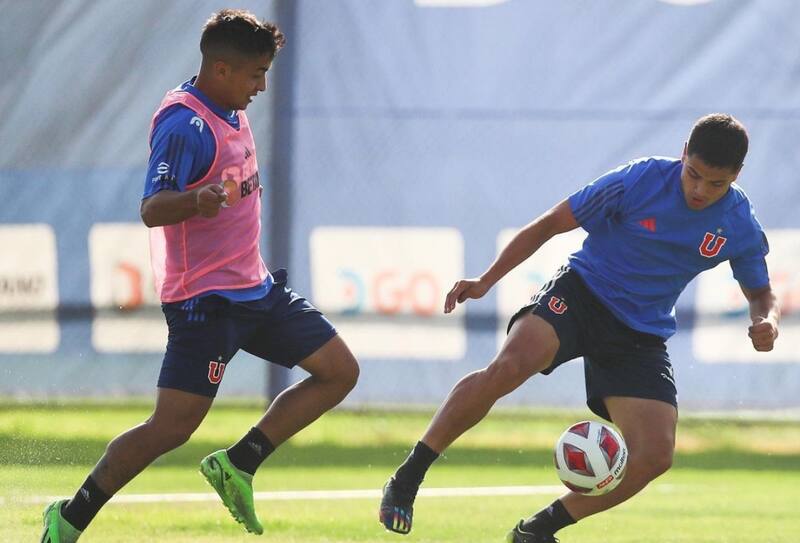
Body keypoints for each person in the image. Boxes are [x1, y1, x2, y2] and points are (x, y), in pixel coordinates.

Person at [379, 113, 779, 542]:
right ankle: (407, 477)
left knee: (655, 455)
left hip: (639, 333)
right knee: (511, 365)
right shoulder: (639, 180)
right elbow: (552, 222)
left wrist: (766, 321)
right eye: (693, 174)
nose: (699, 190)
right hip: (582, 295)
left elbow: (761, 293)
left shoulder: (738, 223)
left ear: (736, 175)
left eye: (714, 183)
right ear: (683, 153)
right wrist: (485, 281)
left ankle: (538, 529)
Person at [41, 10, 359, 542]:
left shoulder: (231, 105)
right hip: (205, 301)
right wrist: (195, 200)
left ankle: (240, 462)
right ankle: (69, 520)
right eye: (255, 73)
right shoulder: (184, 124)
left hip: (254, 289)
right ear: (220, 68)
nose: (262, 85)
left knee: (339, 371)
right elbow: (152, 207)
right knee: (168, 429)